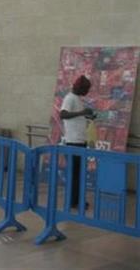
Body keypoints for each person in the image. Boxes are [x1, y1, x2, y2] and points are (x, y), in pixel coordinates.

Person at [60, 75, 95, 210]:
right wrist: (82, 112)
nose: (87, 92)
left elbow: (76, 117)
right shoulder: (69, 98)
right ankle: (73, 201)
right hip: (73, 142)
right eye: (86, 89)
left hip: (80, 141)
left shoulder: (77, 99)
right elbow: (62, 115)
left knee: (78, 174)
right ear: (80, 88)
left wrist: (87, 115)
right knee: (76, 174)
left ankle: (76, 200)